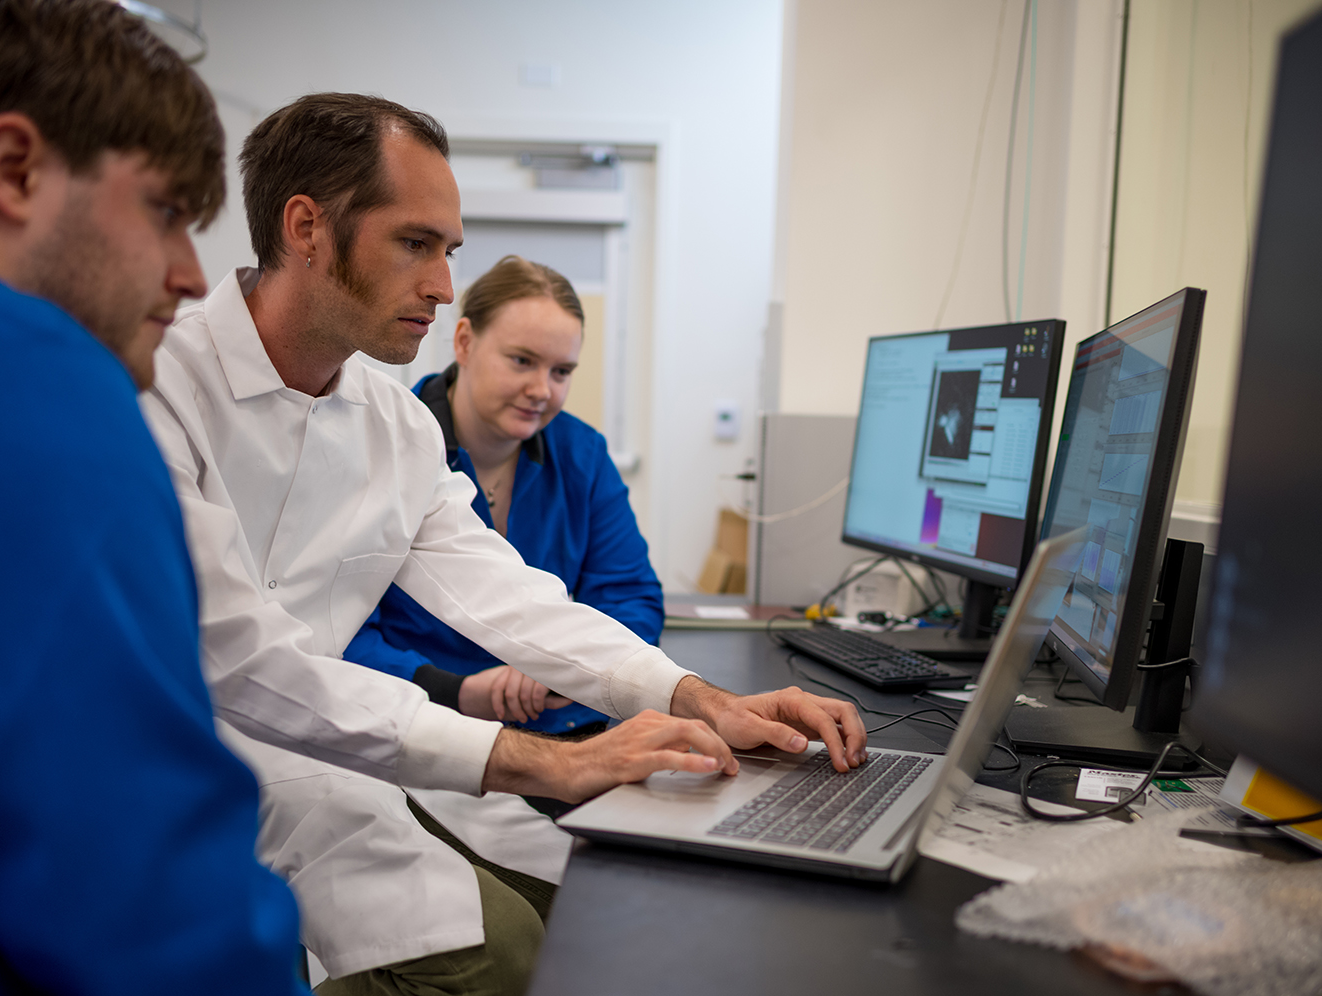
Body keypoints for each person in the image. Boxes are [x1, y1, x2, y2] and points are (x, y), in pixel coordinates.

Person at [139, 91, 869, 996]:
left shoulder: (390, 427)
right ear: (307, 228)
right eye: (416, 244)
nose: (444, 286)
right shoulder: (156, 383)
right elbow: (239, 663)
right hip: (178, 771)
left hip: (339, 756)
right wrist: (550, 761)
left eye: (449, 252)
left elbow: (510, 596)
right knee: (497, 957)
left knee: (585, 918)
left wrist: (702, 697)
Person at [0, 1, 305, 993]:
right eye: (166, 211)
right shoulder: (2, 363)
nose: (188, 275)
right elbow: (140, 895)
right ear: (14, 168)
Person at [344, 255, 660, 745]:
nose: (541, 390)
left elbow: (629, 595)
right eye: (522, 361)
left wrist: (563, 670)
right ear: (465, 341)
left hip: (558, 728)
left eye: (561, 371)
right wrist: (458, 690)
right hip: (417, 727)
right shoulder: (381, 446)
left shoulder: (582, 455)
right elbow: (337, 629)